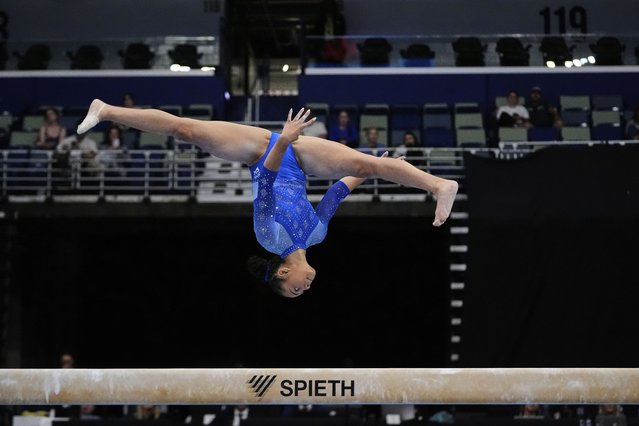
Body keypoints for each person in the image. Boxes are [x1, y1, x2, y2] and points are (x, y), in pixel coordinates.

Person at [77, 100, 458, 298]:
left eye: (295, 288)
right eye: (302, 291)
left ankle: (108, 110)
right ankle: (438, 185)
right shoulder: (316, 236)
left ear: (281, 273)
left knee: (187, 130)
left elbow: (267, 178)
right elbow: (339, 191)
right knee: (367, 163)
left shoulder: (269, 239)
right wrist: (383, 166)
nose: (305, 287)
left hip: (263, 153)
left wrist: (285, 139)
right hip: (304, 157)